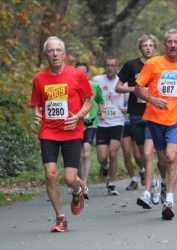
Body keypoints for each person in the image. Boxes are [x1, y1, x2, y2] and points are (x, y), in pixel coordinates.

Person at [134, 28, 177, 220]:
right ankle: (163, 183)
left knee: (171, 157)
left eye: (176, 42)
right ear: (164, 45)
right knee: (162, 160)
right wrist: (152, 100)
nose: (172, 45)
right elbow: (138, 88)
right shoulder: (153, 63)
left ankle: (169, 200)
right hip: (155, 119)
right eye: (169, 42)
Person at [30, 36, 93, 232]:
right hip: (48, 131)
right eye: (51, 51)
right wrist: (36, 114)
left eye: (59, 50)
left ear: (64, 54)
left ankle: (77, 189)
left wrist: (79, 116)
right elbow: (35, 105)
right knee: (50, 175)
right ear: (46, 54)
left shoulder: (76, 75)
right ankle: (60, 217)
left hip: (71, 131)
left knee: (68, 178)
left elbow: (89, 101)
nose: (55, 54)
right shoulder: (39, 78)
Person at [116, 34, 164, 208]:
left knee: (148, 154)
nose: (148, 48)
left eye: (151, 45)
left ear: (155, 47)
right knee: (142, 156)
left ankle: (148, 190)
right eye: (145, 45)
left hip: (154, 114)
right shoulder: (131, 65)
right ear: (140, 48)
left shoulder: (161, 64)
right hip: (136, 114)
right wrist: (136, 90)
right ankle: (156, 182)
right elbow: (118, 87)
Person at [93, 57, 125, 195]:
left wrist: (127, 108)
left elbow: (131, 98)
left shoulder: (123, 82)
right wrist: (96, 111)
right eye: (108, 65)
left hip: (117, 121)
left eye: (113, 65)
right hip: (101, 123)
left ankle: (111, 183)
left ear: (117, 67)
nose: (110, 68)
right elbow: (90, 98)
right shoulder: (97, 80)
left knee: (113, 153)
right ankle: (104, 166)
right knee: (102, 157)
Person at [75, 62, 105, 199]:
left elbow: (100, 100)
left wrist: (101, 112)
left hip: (90, 123)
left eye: (84, 72)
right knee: (79, 155)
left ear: (87, 74)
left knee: (86, 153)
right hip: (75, 124)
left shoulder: (94, 85)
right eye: (78, 72)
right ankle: (80, 183)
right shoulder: (71, 87)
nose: (81, 74)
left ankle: (84, 183)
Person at [120, 88, 144, 191]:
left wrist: (129, 108)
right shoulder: (118, 86)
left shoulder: (137, 82)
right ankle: (133, 179)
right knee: (126, 153)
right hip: (123, 123)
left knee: (138, 155)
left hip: (136, 122)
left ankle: (143, 170)